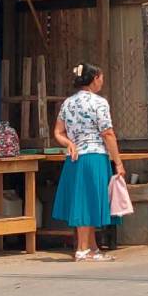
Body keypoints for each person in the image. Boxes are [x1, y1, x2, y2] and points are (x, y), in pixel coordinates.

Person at [52, 63, 125, 262]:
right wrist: (118, 162)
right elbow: (108, 133)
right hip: (95, 156)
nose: (102, 82)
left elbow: (58, 132)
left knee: (86, 200)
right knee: (88, 201)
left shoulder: (67, 103)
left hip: (75, 159)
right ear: (94, 79)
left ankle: (92, 247)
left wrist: (69, 143)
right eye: (101, 78)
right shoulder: (99, 103)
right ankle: (83, 249)